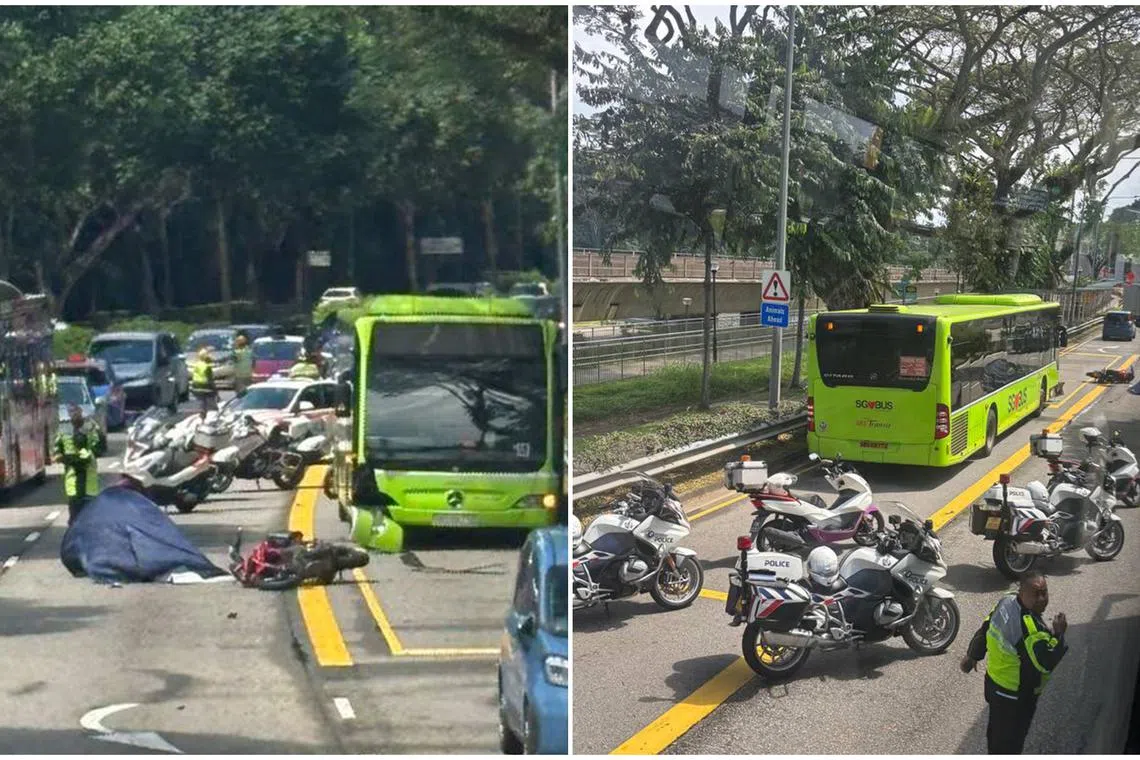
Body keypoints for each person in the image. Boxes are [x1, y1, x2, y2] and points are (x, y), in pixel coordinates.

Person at [960, 571, 1068, 754]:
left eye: (1045, 592)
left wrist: (972, 656)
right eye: (1036, 593)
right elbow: (1046, 662)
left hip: (994, 686)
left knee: (996, 736)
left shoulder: (1006, 602)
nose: (1042, 599)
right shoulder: (1031, 630)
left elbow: (987, 627)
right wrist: (1059, 634)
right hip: (1015, 698)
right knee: (1010, 745)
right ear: (1022, 593)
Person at [54, 404, 103, 525]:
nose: (74, 414)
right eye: (71, 411)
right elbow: (57, 451)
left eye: (76, 411)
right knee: (74, 518)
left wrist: (88, 455)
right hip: (72, 477)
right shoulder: (64, 429)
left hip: (89, 480)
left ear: (81, 412)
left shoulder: (90, 426)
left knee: (89, 517)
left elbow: (98, 446)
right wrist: (63, 458)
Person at [190, 347, 217, 416]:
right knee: (210, 401)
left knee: (201, 401)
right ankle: (207, 414)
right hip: (205, 386)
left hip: (196, 386)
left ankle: (201, 413)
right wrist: (215, 390)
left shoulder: (196, 364)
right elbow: (210, 379)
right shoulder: (207, 367)